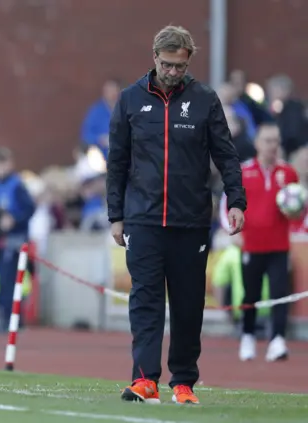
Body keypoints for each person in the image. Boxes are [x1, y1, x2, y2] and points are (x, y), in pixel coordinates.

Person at [106, 25, 246, 405]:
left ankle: (183, 381)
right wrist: (115, 215)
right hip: (143, 220)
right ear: (154, 58)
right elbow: (117, 161)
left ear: (189, 62)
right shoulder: (130, 100)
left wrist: (236, 201)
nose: (172, 72)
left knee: (187, 305)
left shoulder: (204, 100)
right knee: (146, 300)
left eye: (179, 66)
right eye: (167, 65)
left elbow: (226, 155)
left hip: (191, 221)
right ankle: (144, 379)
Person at [219, 123, 299, 362]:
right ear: (257, 143)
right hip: (251, 245)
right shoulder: (244, 172)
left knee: (279, 294)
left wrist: (296, 214)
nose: (272, 146)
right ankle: (248, 336)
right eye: (267, 140)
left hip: (279, 246)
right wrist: (233, 231)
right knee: (250, 295)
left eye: (275, 141)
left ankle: (277, 339)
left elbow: (297, 208)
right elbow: (226, 205)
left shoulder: (288, 173)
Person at [0, 147, 36, 332]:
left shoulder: (17, 185)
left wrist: (14, 219)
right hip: (0, 240)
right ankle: (6, 317)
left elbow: (30, 209)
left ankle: (12, 320)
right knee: (1, 280)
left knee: (10, 280)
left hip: (15, 240)